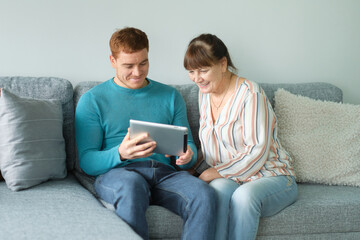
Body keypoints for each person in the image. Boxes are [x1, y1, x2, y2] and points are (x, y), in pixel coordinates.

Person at [75, 27, 216, 240]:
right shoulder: (92, 100)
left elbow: (190, 151)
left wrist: (187, 156)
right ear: (112, 61)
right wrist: (120, 153)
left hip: (164, 174)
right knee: (132, 187)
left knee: (203, 194)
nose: (137, 72)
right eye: (128, 66)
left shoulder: (170, 96)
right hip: (119, 174)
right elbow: (86, 161)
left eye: (143, 63)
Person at [183, 33, 298, 240]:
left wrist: (212, 173)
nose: (196, 78)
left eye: (203, 70)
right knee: (216, 192)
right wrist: (195, 166)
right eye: (191, 71)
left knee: (243, 197)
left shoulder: (250, 93)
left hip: (272, 175)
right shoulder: (204, 93)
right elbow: (213, 144)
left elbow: (257, 151)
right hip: (231, 176)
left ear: (222, 63)